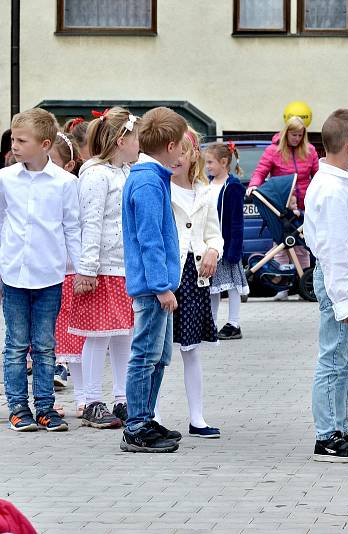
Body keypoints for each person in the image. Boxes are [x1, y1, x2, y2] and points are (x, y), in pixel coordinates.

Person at [1, 108, 80, 432]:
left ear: (45, 144)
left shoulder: (65, 183)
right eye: (13, 139)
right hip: (14, 274)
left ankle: (46, 407)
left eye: (22, 140)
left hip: (49, 274)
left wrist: (81, 271)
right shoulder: (5, 179)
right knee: (17, 344)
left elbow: (72, 227)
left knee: (46, 345)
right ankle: (18, 407)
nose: (15, 146)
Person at [305, 108, 348, 463]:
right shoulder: (332, 189)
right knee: (334, 357)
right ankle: (327, 435)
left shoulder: (342, 180)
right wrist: (341, 300)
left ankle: (341, 427)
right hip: (341, 275)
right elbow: (332, 249)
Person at [67, 108, 140, 430]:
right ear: (121, 140)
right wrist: (87, 269)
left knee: (124, 334)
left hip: (124, 266)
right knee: (98, 336)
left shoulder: (125, 172)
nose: (140, 144)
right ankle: (92, 400)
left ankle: (122, 398)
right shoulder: (96, 174)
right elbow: (90, 223)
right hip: (102, 268)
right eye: (136, 138)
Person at [120, 106, 186, 453]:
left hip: (158, 286)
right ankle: (135, 425)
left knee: (159, 356)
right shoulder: (147, 181)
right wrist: (161, 286)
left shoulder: (152, 177)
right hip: (152, 288)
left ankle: (146, 416)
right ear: (171, 146)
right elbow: (149, 239)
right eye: (182, 148)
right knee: (145, 356)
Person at [167, 127, 224, 438]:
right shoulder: (161, 187)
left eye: (183, 152)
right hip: (168, 274)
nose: (176, 157)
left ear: (193, 156)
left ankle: (197, 417)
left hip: (195, 274)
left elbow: (213, 232)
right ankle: (153, 414)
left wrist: (214, 249)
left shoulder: (204, 190)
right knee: (158, 350)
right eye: (171, 151)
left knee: (191, 349)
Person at [248, 116, 318, 300]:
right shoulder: (273, 151)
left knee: (302, 247)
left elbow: (317, 175)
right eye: (294, 134)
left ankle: (304, 285)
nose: (296, 138)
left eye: (300, 135)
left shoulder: (309, 151)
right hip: (281, 206)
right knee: (281, 245)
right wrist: (253, 186)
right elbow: (260, 172)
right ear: (286, 134)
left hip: (303, 206)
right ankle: (282, 288)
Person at [50, 131, 82, 400]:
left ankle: (66, 371)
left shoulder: (71, 185)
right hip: (47, 270)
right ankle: (53, 367)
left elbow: (75, 228)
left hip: (70, 269)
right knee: (48, 329)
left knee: (72, 328)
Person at [206, 143, 249, 340]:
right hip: (210, 246)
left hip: (228, 245)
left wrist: (234, 249)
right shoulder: (207, 184)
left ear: (224, 162)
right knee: (212, 286)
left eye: (210, 162)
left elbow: (236, 221)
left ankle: (234, 323)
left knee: (231, 286)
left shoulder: (233, 187)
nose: (207, 166)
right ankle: (211, 322)